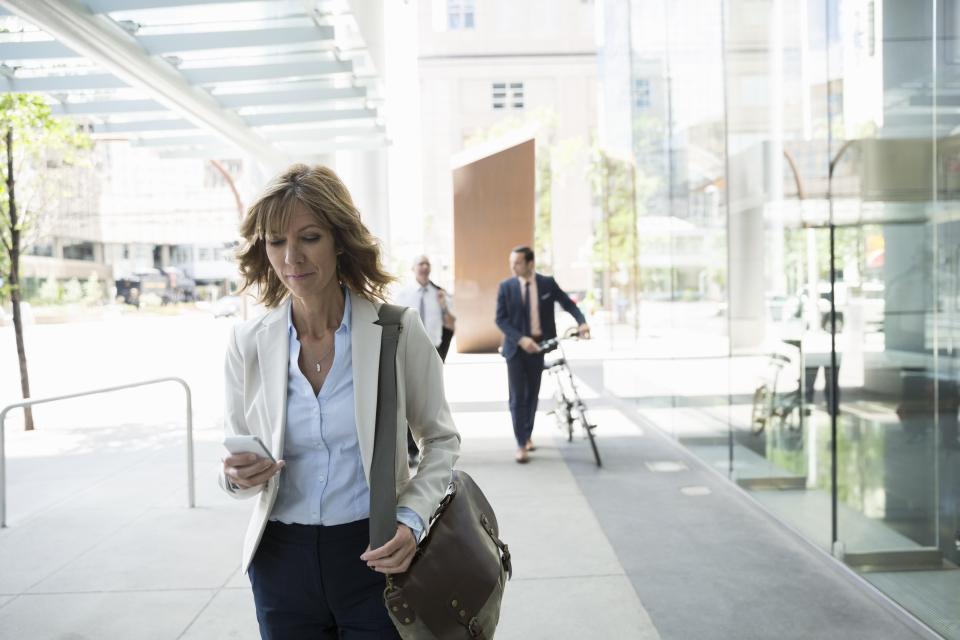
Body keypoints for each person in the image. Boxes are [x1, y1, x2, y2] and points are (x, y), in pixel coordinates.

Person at [219, 164, 460, 639]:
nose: (291, 257)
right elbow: (236, 464)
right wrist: (235, 476)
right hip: (279, 560)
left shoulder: (395, 330)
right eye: (274, 241)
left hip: (375, 551)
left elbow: (441, 440)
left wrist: (410, 521)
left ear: (339, 239)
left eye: (309, 237)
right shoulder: (247, 343)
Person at [495, 246, 590, 463]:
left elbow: (568, 304)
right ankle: (521, 444)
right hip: (516, 349)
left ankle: (526, 434)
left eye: (517, 263)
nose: (513, 267)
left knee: (532, 395)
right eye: (511, 263)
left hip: (539, 347)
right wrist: (522, 339)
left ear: (530, 263)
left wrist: (582, 323)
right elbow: (501, 320)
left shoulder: (547, 284)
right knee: (518, 397)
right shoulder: (506, 287)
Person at [393, 254, 456, 466]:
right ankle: (410, 448)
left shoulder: (440, 293)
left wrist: (444, 305)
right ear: (413, 268)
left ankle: (433, 444)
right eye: (420, 263)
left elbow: (451, 323)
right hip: (409, 350)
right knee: (409, 398)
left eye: (428, 263)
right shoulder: (403, 294)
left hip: (434, 349)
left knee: (431, 398)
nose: (424, 267)